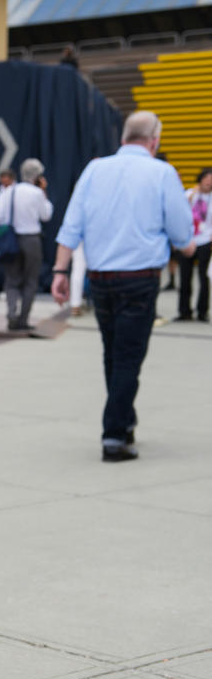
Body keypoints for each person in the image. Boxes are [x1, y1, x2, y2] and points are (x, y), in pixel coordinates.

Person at [51, 111, 194, 461]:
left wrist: (60, 270)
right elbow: (181, 232)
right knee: (129, 357)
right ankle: (114, 435)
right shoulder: (162, 173)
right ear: (154, 141)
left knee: (112, 353)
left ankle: (125, 421)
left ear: (123, 138)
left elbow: (72, 223)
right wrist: (188, 245)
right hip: (140, 278)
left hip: (101, 280)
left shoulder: (94, 169)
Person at [0, 157, 52, 331]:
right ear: (38, 176)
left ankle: (11, 314)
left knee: (11, 280)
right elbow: (46, 215)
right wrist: (44, 192)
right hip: (32, 239)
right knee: (30, 281)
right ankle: (23, 320)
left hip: (12, 239)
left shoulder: (9, 191)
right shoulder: (37, 193)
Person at [175, 167, 212, 322]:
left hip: (205, 240)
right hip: (188, 240)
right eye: (207, 178)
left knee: (204, 278)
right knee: (184, 277)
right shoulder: (190, 194)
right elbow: (179, 211)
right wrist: (194, 193)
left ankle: (202, 311)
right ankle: (184, 311)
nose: (209, 181)